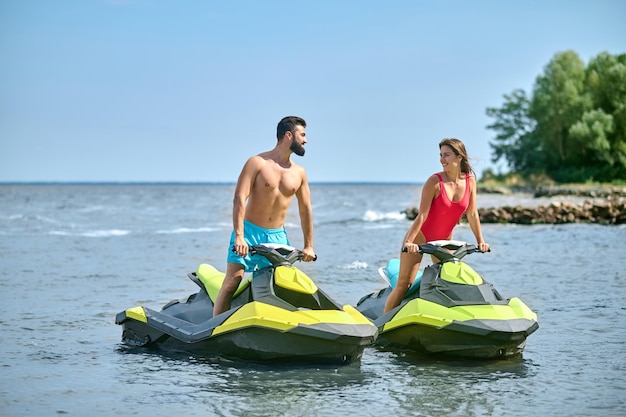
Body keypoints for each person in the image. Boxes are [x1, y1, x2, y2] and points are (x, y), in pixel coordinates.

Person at [212, 116, 316, 316]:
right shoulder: (257, 163)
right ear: (288, 135)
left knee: (278, 284)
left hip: (277, 236)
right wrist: (240, 236)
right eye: (302, 135)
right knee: (233, 281)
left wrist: (309, 245)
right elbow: (239, 199)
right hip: (249, 231)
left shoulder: (299, 172)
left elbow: (305, 210)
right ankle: (214, 326)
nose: (306, 140)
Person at [384, 138, 490, 313]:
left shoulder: (470, 181)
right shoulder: (434, 181)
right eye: (441, 155)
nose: (442, 160)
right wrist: (410, 242)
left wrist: (481, 241)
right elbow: (422, 214)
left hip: (443, 241)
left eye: (447, 155)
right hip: (420, 237)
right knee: (404, 284)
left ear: (459, 157)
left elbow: (472, 213)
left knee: (449, 281)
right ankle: (380, 327)